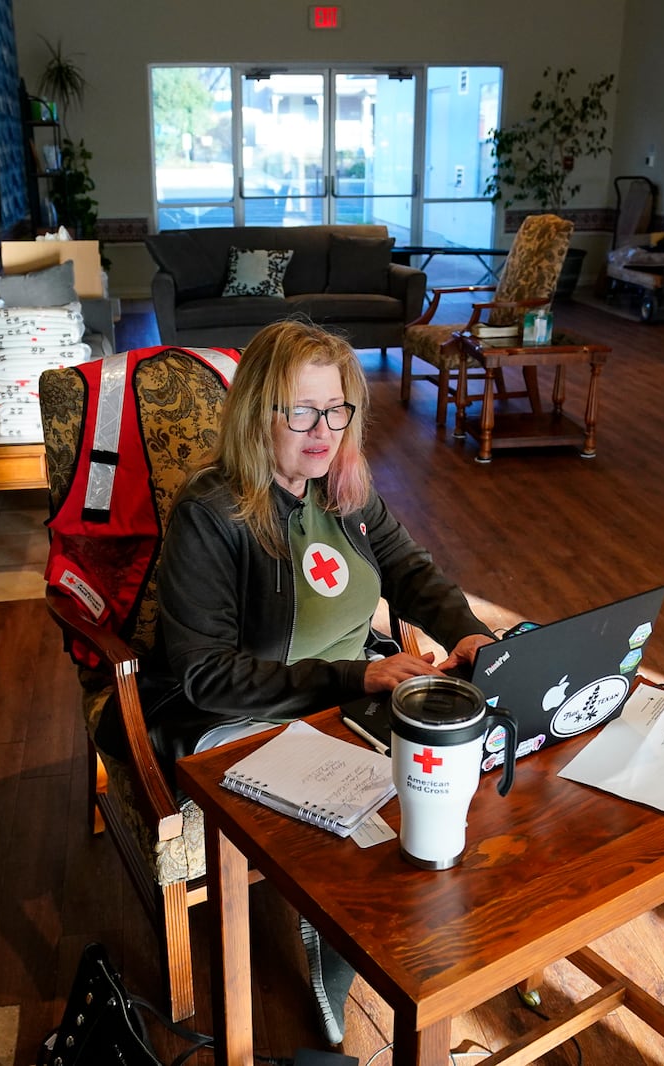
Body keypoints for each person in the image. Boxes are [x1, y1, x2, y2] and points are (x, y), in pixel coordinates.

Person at [151, 318, 495, 1045]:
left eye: (337, 410)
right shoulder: (211, 514)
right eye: (300, 411)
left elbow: (410, 571)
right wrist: (358, 676)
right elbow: (205, 674)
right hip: (243, 716)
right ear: (256, 414)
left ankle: (447, 944)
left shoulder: (344, 489)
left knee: (467, 762)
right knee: (373, 811)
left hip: (353, 696)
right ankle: (336, 966)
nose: (323, 431)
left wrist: (468, 633)